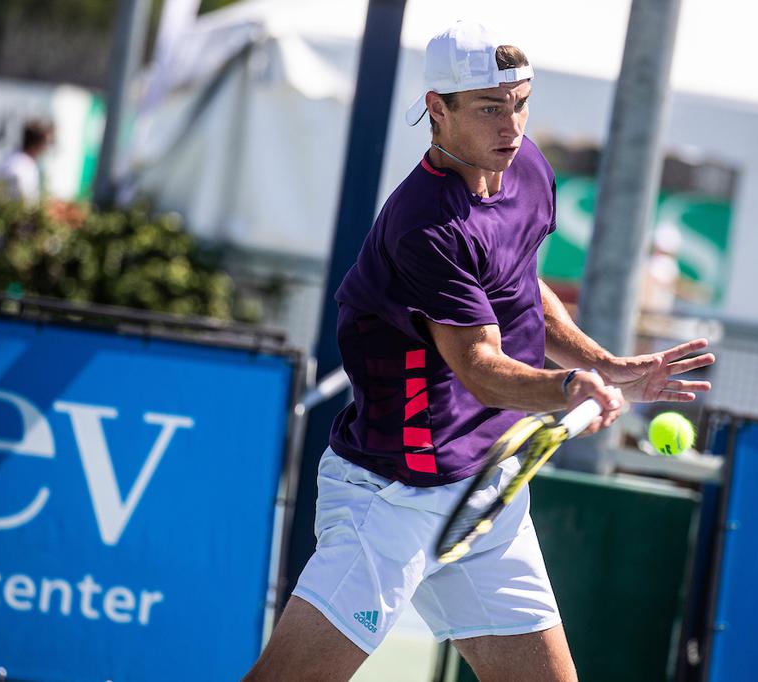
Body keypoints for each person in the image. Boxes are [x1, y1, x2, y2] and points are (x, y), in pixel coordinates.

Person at [244, 21, 715, 682]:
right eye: (491, 108)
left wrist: (605, 365)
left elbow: (519, 285)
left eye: (520, 102)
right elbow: (480, 368)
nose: (512, 124)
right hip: (392, 496)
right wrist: (569, 387)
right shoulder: (424, 226)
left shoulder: (526, 170)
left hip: (484, 490)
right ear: (438, 110)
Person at [0, 119, 53, 203]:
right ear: (36, 145)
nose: (46, 148)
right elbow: (27, 203)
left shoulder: (12, 158)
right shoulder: (23, 167)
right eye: (45, 144)